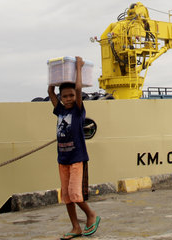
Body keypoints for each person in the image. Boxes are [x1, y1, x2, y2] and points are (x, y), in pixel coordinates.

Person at [48, 56, 100, 239]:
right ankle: (75, 227)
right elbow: (51, 93)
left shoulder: (77, 111)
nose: (68, 98)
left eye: (71, 96)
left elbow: (78, 89)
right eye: (65, 96)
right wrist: (52, 79)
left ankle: (91, 215)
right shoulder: (60, 110)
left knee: (75, 194)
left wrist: (78, 67)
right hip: (63, 160)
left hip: (77, 158)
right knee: (67, 197)